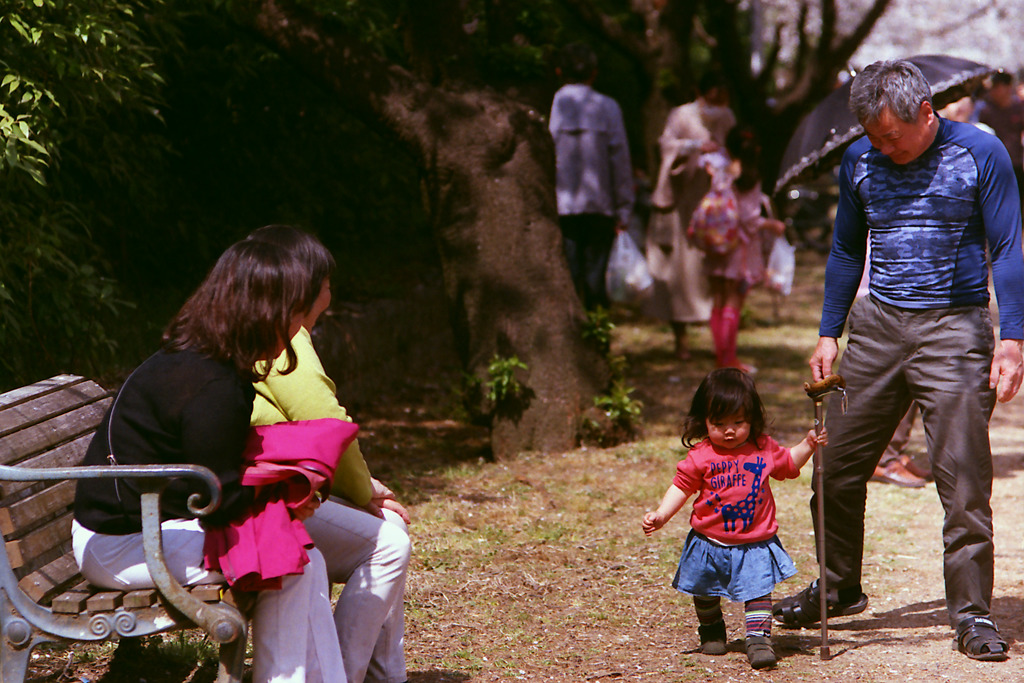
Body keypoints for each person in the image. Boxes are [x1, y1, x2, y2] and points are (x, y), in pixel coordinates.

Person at [773, 59, 1024, 663]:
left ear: (927, 113)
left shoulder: (979, 154)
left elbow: (1010, 244)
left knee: (963, 481)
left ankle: (972, 614)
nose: (884, 147)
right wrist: (828, 333)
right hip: (878, 328)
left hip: (954, 328)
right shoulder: (859, 160)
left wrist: (1011, 339)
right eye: (873, 136)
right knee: (834, 465)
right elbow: (842, 249)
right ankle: (837, 587)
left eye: (893, 136)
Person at [72, 239, 348, 683]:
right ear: (265, 312)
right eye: (296, 315)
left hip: (145, 525)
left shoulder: (204, 359)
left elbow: (209, 484)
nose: (299, 328)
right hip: (118, 543)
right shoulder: (211, 384)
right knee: (292, 562)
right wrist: (288, 491)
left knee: (297, 557)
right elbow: (220, 496)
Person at [246, 225, 411, 683]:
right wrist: (364, 492)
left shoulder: (272, 329)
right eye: (326, 284)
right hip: (267, 498)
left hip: (281, 487)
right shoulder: (285, 337)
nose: (331, 295)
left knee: (389, 527)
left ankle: (382, 672)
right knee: (388, 536)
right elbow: (326, 422)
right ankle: (345, 671)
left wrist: (363, 491)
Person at [641, 368, 827, 670]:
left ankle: (758, 638)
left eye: (738, 423)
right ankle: (712, 630)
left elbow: (787, 465)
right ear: (703, 421)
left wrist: (808, 445)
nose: (729, 431)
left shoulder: (762, 448)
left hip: (754, 542)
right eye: (719, 423)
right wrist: (662, 514)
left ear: (752, 418)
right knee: (703, 590)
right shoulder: (702, 455)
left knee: (758, 591)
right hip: (708, 540)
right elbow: (681, 486)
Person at [646, 72, 734, 359]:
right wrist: (695, 149)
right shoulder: (681, 115)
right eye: (712, 96)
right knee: (679, 275)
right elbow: (666, 146)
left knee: (715, 276)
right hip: (683, 205)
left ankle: (718, 342)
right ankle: (680, 341)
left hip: (716, 211)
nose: (717, 101)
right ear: (700, 91)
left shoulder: (727, 117)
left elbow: (736, 153)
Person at [549, 42, 635, 310]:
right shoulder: (608, 107)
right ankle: (599, 342)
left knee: (569, 280)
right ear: (594, 73)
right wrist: (624, 208)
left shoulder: (553, 107)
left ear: (559, 71)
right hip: (601, 207)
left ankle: (575, 344)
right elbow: (620, 160)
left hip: (562, 208)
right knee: (596, 280)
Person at [699, 125, 786, 371]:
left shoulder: (719, 171)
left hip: (717, 244)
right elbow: (748, 219)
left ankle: (721, 357)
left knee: (718, 300)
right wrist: (771, 224)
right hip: (740, 249)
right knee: (733, 301)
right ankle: (729, 359)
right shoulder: (749, 176)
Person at [978, 71, 1024, 210]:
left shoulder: (1020, 109)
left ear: (1008, 87)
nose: (993, 91)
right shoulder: (987, 112)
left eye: (997, 86)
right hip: (996, 165)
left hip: (1017, 164)